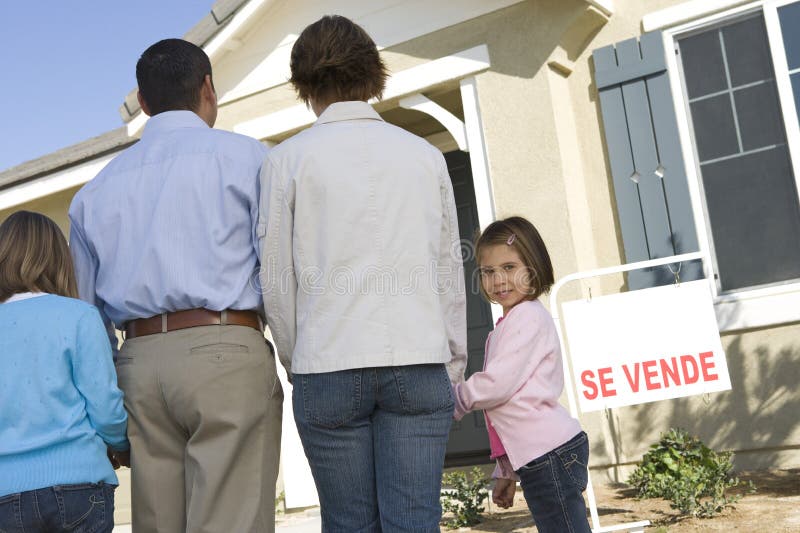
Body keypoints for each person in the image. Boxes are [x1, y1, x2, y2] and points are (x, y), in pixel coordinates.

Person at [258, 15, 467, 532]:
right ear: (374, 73)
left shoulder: (285, 162)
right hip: (420, 359)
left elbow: (276, 283)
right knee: (415, 519)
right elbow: (448, 273)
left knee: (348, 522)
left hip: (327, 361)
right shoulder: (424, 156)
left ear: (304, 82)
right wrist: (453, 361)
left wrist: (296, 358)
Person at [68, 39, 283, 533]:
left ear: (143, 103)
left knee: (158, 522)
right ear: (208, 87)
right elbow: (278, 272)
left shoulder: (93, 193)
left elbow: (87, 314)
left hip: (138, 361)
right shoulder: (250, 159)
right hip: (225, 349)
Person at [452, 216, 591, 533]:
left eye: (510, 267)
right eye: (488, 271)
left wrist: (457, 399)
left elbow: (498, 387)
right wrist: (506, 471)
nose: (498, 279)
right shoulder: (513, 321)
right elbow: (511, 409)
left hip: (550, 453)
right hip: (543, 453)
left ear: (534, 267)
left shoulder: (527, 317)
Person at [0, 211, 128, 533]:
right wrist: (121, 444)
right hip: (79, 487)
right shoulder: (79, 316)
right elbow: (105, 405)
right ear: (59, 258)